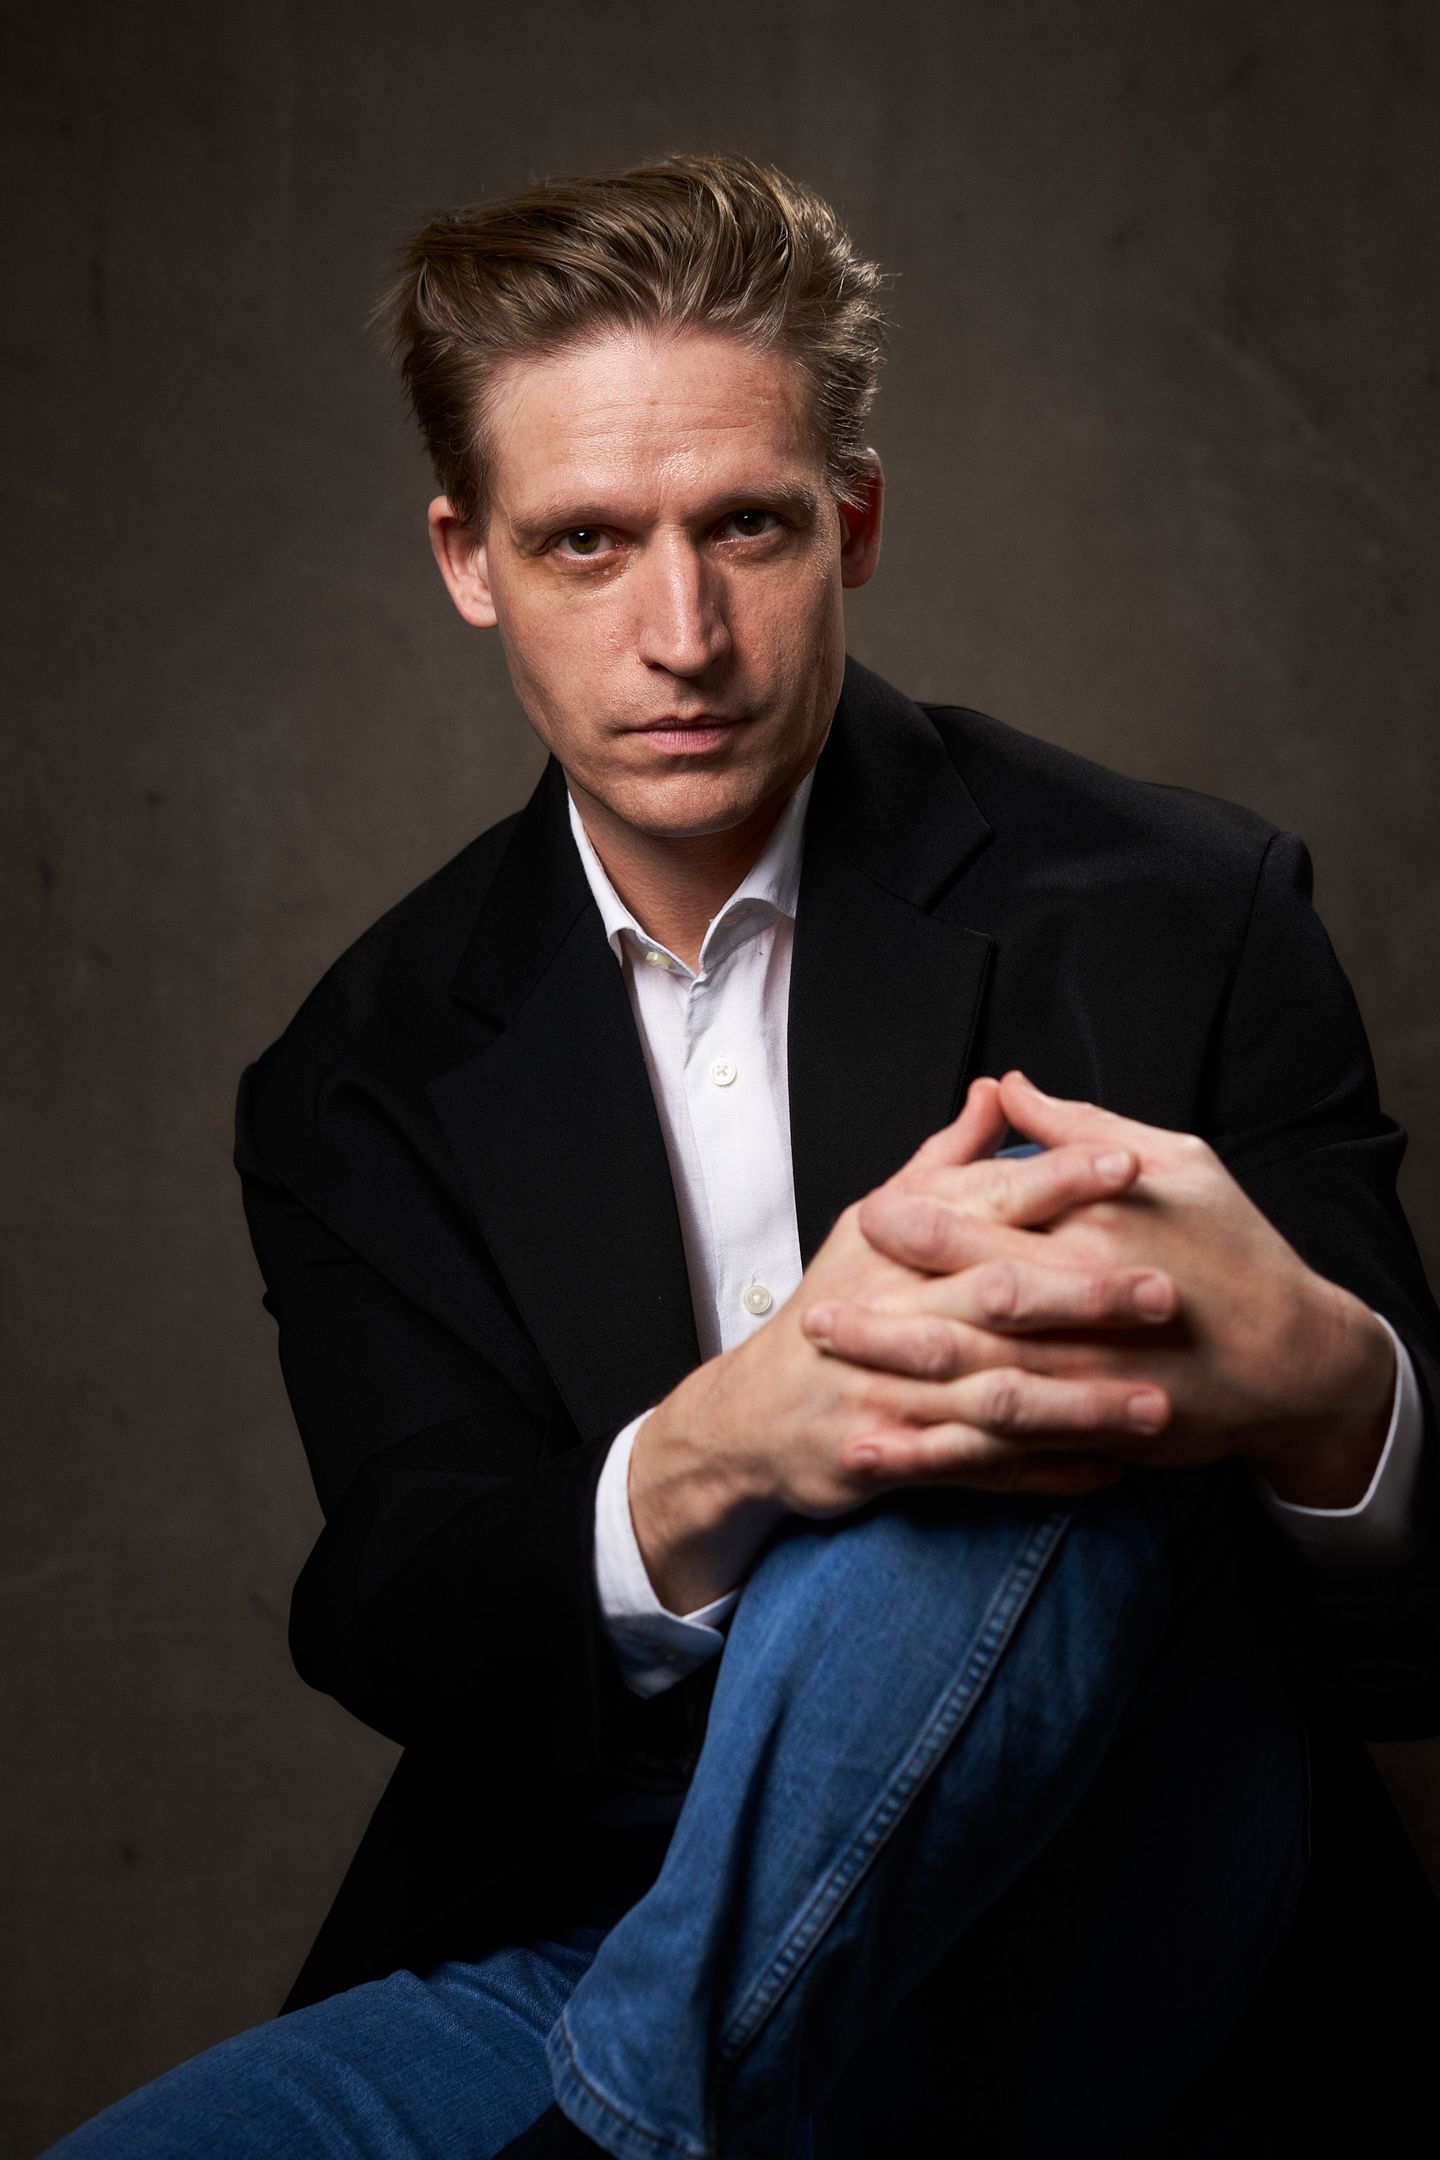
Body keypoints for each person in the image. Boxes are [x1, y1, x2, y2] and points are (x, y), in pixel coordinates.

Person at [47, 153, 1439, 2160]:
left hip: (1115, 1917)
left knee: (1000, 1367)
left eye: (748, 528)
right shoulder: (358, 1071)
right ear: (467, 557)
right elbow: (413, 1606)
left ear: (851, 521)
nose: (680, 634)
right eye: (585, 543)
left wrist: (1325, 1383)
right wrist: (721, 1448)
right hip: (596, 1929)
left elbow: (1413, 1647)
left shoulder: (1178, 912)